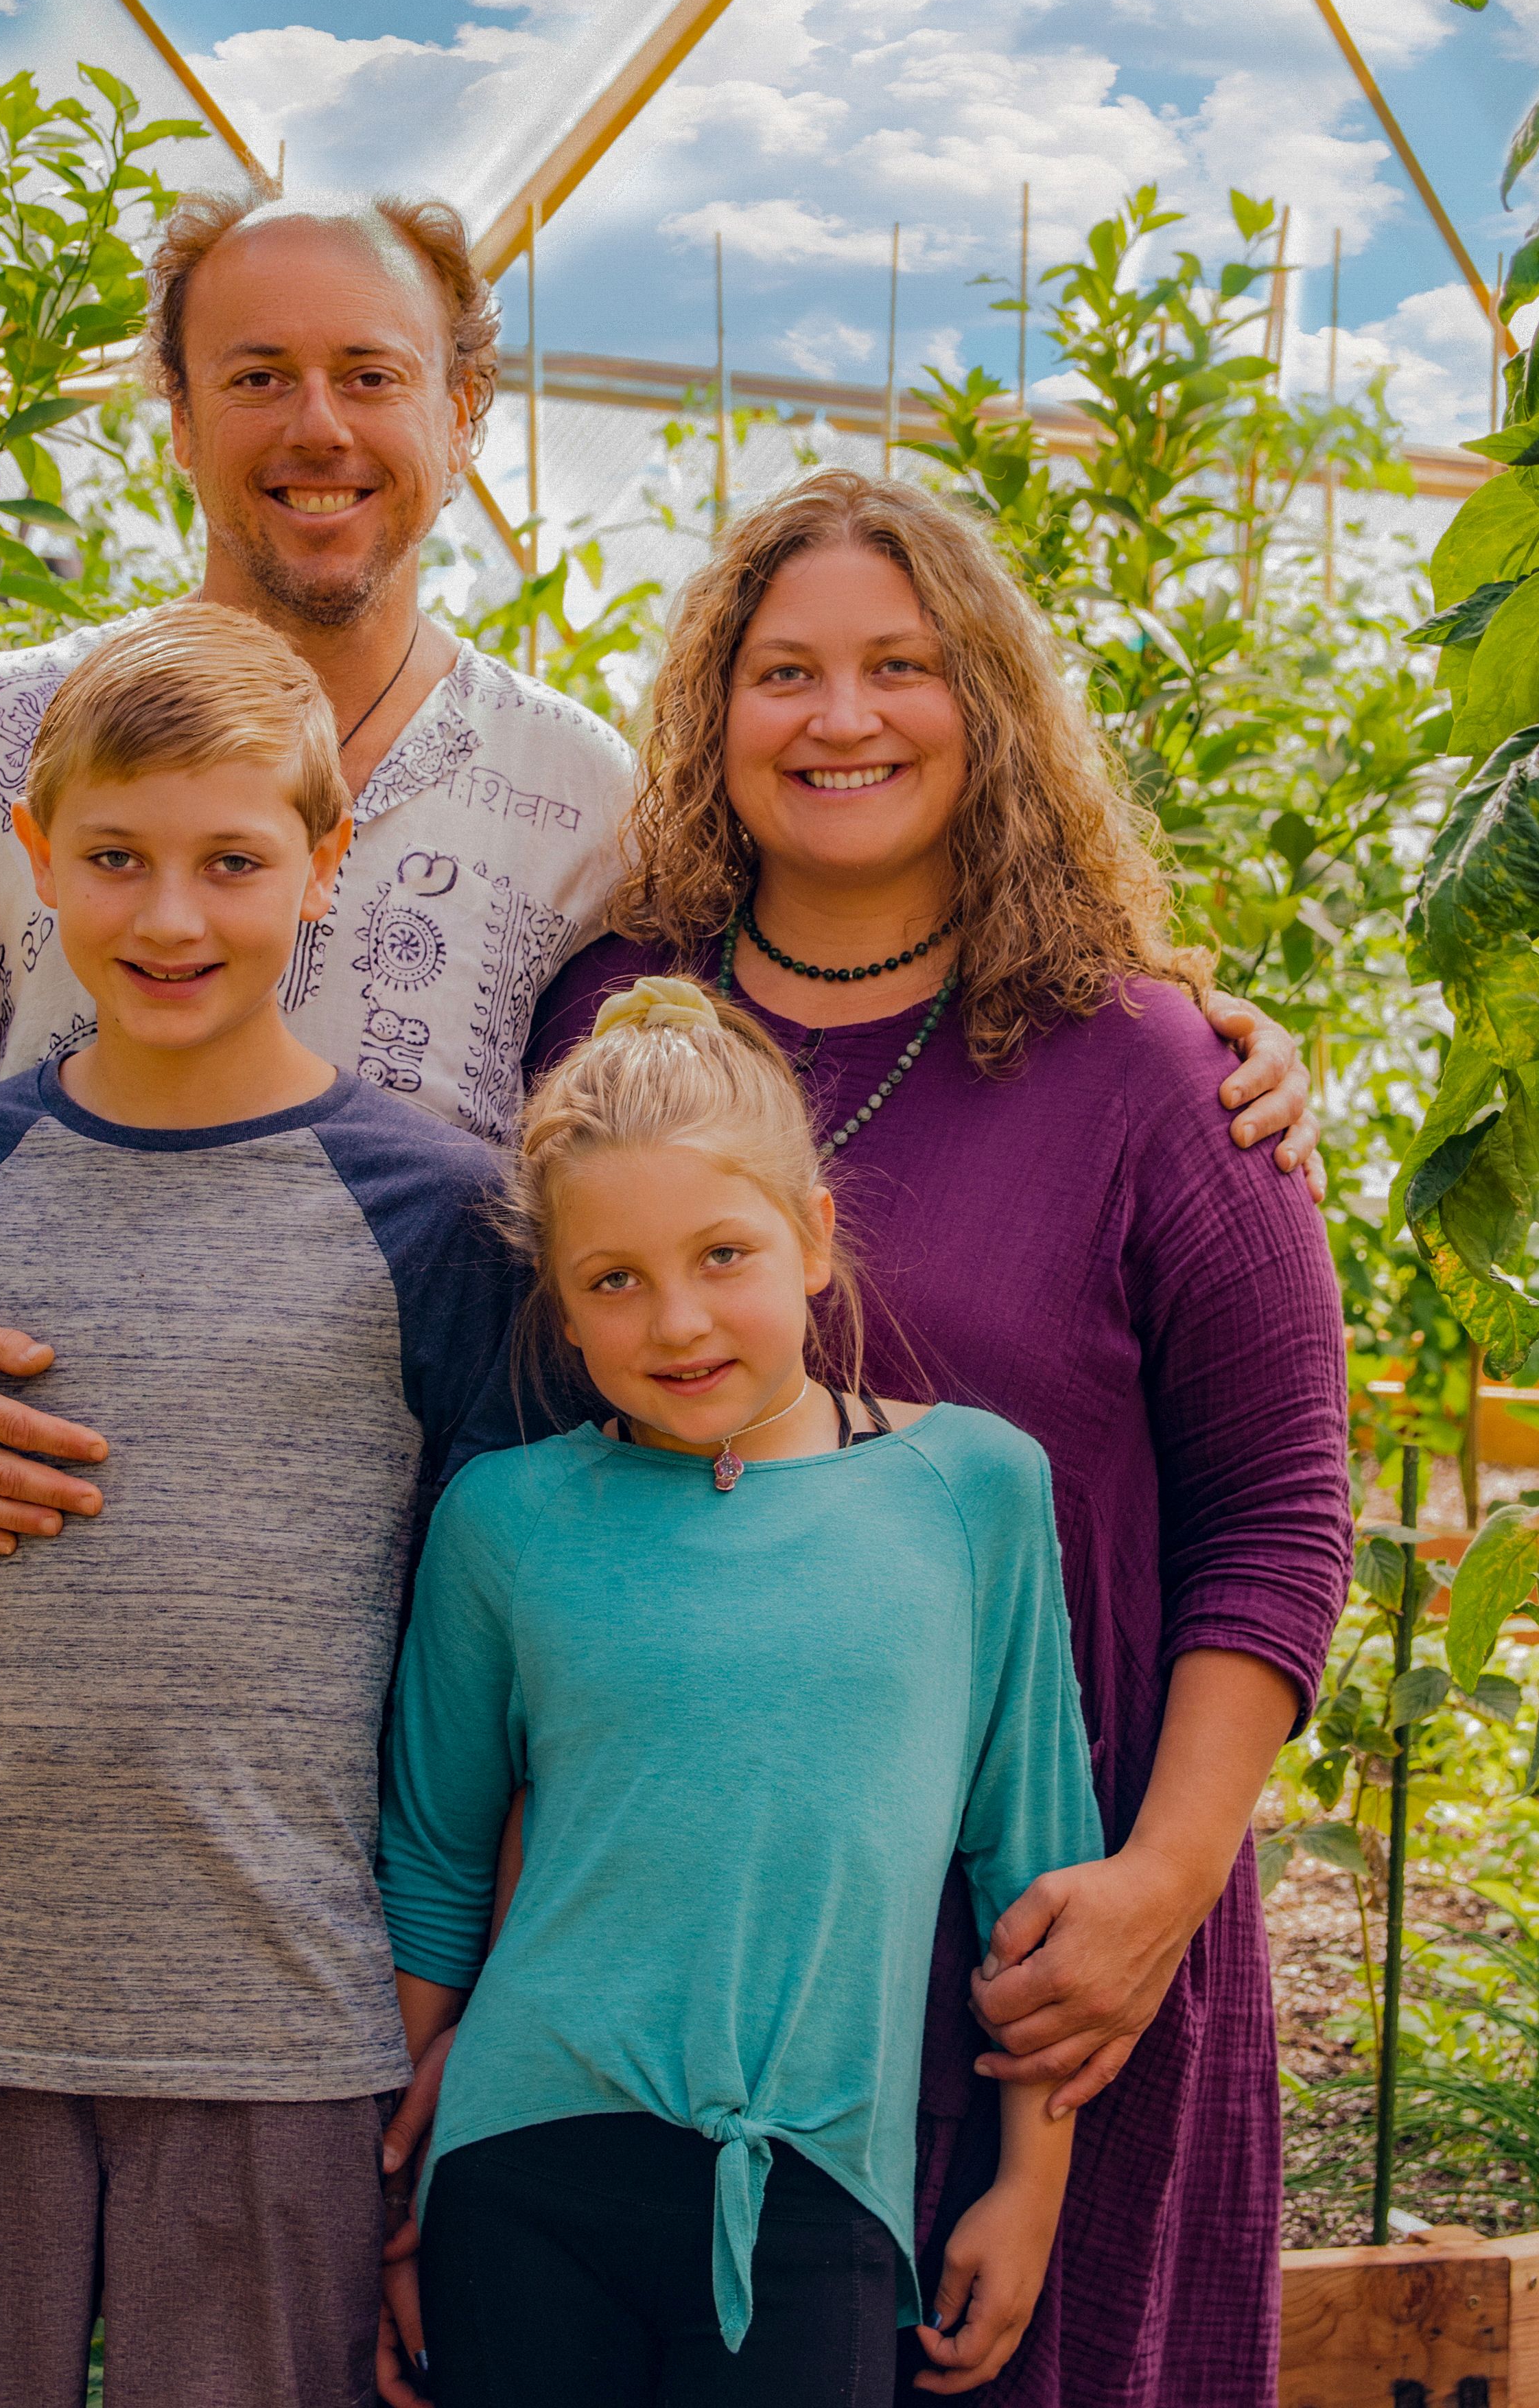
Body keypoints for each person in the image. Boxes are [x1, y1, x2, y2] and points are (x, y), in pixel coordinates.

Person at [0, 187, 1317, 1576]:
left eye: (370, 374)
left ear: (463, 412)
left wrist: (1167, 1019)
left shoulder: (578, 805)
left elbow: (841, 913)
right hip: (42, 1646)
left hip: (449, 1680)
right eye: (255, 374)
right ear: (175, 416)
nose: (316, 427)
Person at [520, 469, 1354, 2408]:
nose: (843, 719)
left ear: (987, 704)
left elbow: (1282, 1519)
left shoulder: (1151, 1067)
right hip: (686, 1920)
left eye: (902, 668)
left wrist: (1154, 1889)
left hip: (1039, 1940)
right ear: (712, 717)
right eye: (786, 670)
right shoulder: (605, 1022)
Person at [0, 605, 523, 2408]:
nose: (171, 918)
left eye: (233, 862)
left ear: (326, 866)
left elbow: (490, 1658)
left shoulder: (435, 1216)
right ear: (39, 860)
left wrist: (446, 2003)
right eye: (116, 859)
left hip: (287, 2037)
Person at [383, 976, 1101, 2407]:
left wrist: (1031, 2181)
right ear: (562, 1302)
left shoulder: (973, 1488)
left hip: (813, 2176)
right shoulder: (506, 1518)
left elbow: (1037, 1867)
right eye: (615, 1279)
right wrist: (402, 2176)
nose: (678, 1318)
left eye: (723, 1252)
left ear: (815, 1235)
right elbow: (435, 1862)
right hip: (520, 2163)